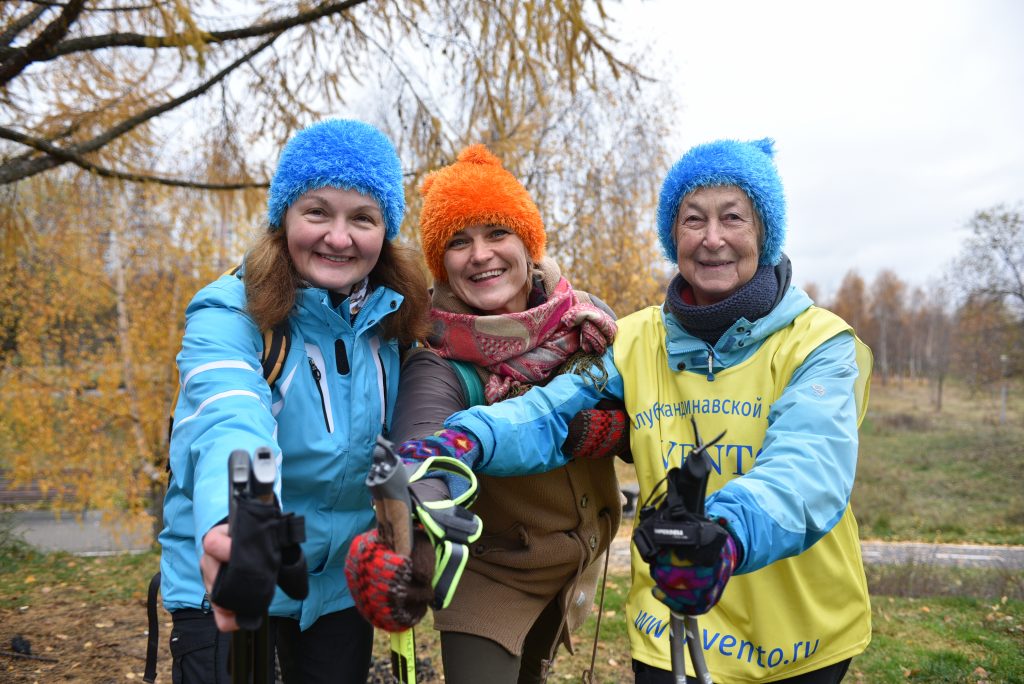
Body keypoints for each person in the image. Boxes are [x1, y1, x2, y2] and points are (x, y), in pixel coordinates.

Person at [388, 138, 873, 683]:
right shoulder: (634, 337)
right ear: (674, 236)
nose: (712, 239)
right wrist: (466, 440)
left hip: (797, 633)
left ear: (764, 231)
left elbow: (811, 467)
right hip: (668, 623)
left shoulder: (822, 344)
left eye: (732, 217)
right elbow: (548, 410)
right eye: (693, 220)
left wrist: (725, 533)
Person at [158, 118, 430, 683]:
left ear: (386, 231)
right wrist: (246, 519)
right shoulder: (232, 312)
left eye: (362, 218)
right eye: (317, 212)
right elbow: (230, 414)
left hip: (333, 590)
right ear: (283, 217)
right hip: (233, 568)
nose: (338, 237)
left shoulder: (398, 322)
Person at [346, 144, 629, 684]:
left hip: (574, 554)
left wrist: (615, 432)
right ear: (441, 262)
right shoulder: (437, 355)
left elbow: (650, 414)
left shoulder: (587, 321)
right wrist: (408, 551)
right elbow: (425, 456)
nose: (479, 255)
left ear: (527, 240)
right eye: (458, 241)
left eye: (496, 233)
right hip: (491, 570)